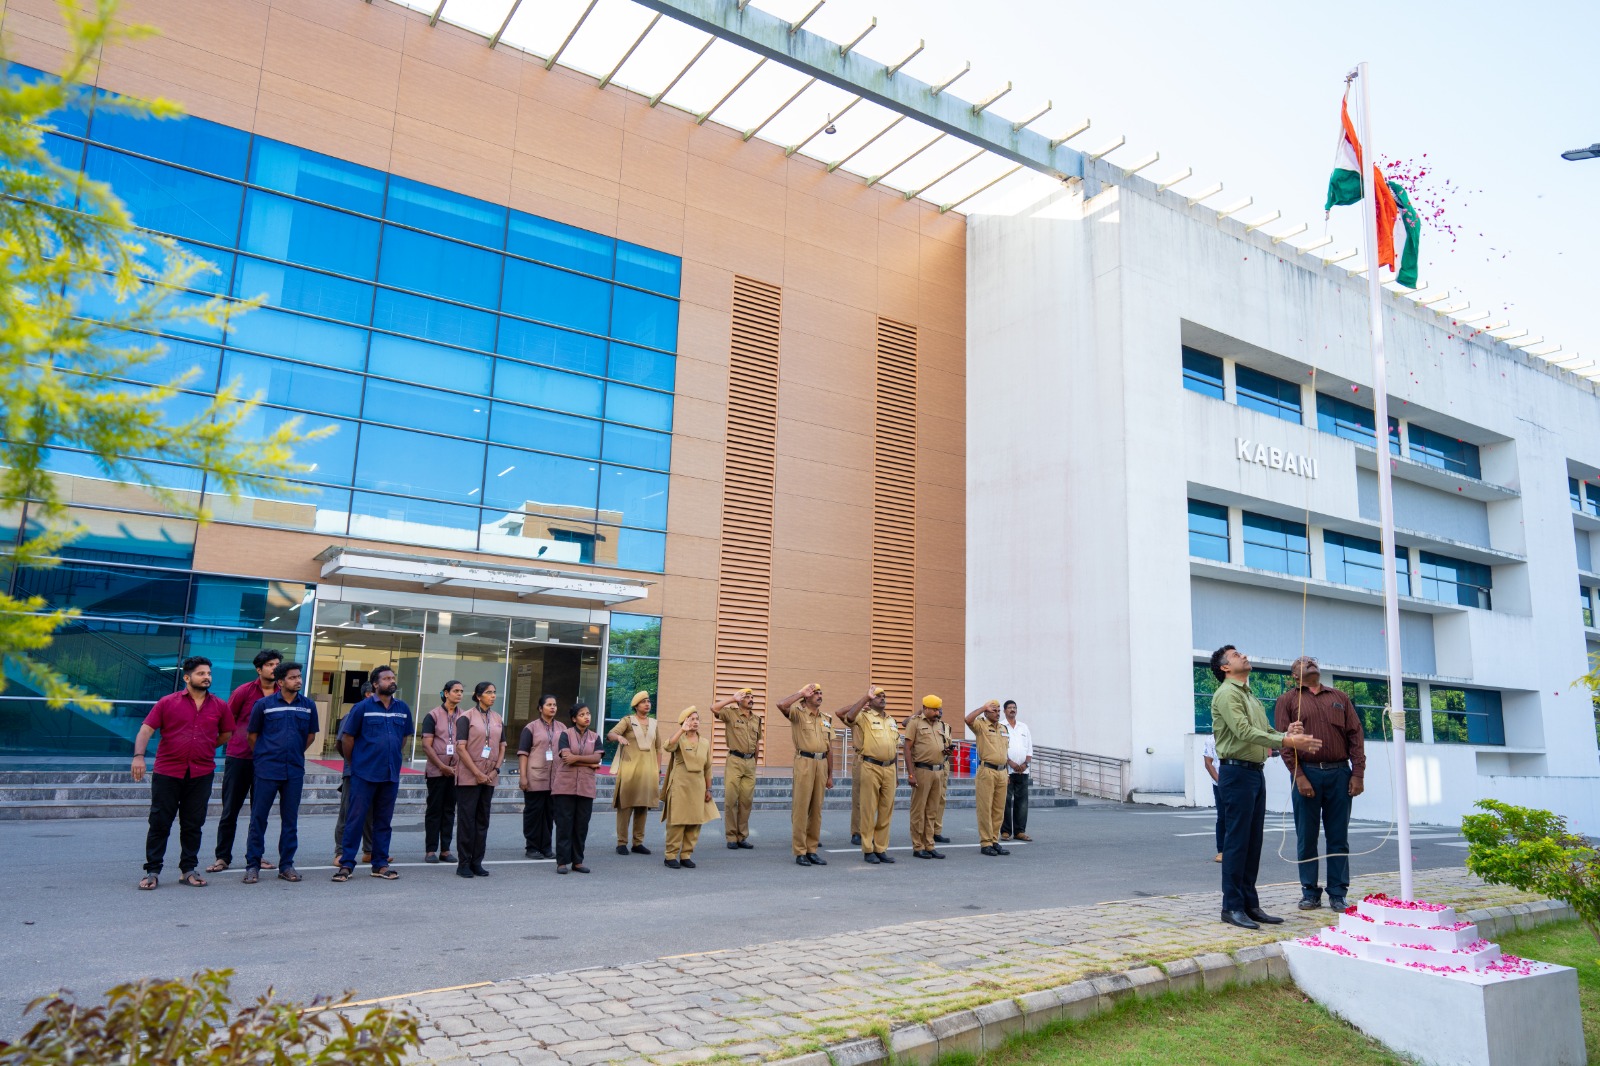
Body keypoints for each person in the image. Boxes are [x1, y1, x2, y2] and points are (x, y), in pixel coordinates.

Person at [1209, 644, 1323, 929]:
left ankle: (1249, 904)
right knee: (1237, 843)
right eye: (1236, 656)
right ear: (1225, 668)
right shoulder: (1226, 694)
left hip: (1253, 774)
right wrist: (1287, 742)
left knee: (1252, 843)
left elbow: (1266, 731)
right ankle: (1232, 906)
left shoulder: (1249, 695)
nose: (1244, 656)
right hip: (1235, 773)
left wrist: (1287, 734)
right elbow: (1244, 732)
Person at [1274, 655, 1365, 913]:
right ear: (1294, 675)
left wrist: (1358, 772)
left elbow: (1355, 735)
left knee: (1339, 837)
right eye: (1302, 662)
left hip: (1339, 774)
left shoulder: (1340, 697)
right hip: (1307, 774)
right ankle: (1309, 893)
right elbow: (1284, 741)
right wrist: (1299, 776)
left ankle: (1338, 893)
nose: (1309, 662)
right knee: (1307, 837)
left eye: (1312, 660)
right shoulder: (1287, 701)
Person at [132, 656, 231, 889]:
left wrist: (206, 745)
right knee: (159, 823)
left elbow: (226, 733)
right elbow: (146, 729)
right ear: (187, 677)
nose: (207, 677)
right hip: (168, 772)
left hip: (201, 773)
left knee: (193, 824)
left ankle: (188, 869)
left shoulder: (219, 705)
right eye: (201, 673)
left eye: (208, 673)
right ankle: (152, 871)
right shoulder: (168, 702)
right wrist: (138, 757)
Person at [241, 661, 318, 883]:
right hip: (267, 770)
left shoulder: (308, 706)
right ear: (281, 681)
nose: (299, 681)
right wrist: (266, 756)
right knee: (258, 819)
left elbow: (310, 735)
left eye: (299, 677)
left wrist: (293, 752)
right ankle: (252, 865)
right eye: (293, 677)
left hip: (293, 770)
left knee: (290, 820)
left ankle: (286, 865)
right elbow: (252, 736)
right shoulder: (263, 705)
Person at [335, 665, 412, 882]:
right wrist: (355, 762)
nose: (391, 680)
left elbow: (403, 738)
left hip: (389, 774)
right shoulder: (362, 708)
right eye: (386, 678)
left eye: (393, 677)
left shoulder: (402, 708)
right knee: (355, 819)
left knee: (383, 821)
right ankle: (346, 864)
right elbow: (347, 739)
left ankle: (380, 864)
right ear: (376, 684)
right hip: (363, 774)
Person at [208, 648, 281, 874]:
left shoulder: (283, 693)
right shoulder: (244, 691)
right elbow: (227, 720)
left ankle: (255, 856)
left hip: (268, 761)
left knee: (260, 812)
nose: (274, 668)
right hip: (239, 757)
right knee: (230, 810)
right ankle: (222, 857)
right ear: (259, 669)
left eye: (277, 664)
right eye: (270, 664)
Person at [838, 686, 900, 864]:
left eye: (884, 696)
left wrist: (895, 773)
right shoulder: (863, 716)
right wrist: (864, 698)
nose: (882, 698)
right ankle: (868, 849)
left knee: (886, 810)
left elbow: (894, 747)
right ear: (870, 700)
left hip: (889, 768)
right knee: (867, 809)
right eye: (878, 696)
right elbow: (847, 716)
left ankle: (880, 848)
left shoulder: (891, 720)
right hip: (870, 766)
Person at [775, 683, 834, 866]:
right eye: (815, 692)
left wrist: (830, 775)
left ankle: (812, 849)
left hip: (821, 764)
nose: (819, 694)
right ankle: (800, 851)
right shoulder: (798, 714)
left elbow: (829, 748)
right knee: (801, 808)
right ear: (806, 697)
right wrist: (800, 692)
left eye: (820, 692)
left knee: (816, 810)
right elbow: (781, 705)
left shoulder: (826, 718)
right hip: (805, 762)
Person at [452, 681, 506, 879]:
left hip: (490, 776)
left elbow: (502, 747)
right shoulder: (466, 718)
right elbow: (460, 748)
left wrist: (496, 770)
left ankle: (477, 862)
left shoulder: (497, 718)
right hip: (469, 777)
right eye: (488, 693)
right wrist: (476, 773)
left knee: (482, 820)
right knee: (467, 820)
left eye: (494, 692)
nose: (492, 696)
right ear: (477, 696)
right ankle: (463, 863)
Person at [660, 706, 718, 868]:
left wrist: (709, 789)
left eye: (697, 719)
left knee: (694, 822)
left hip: (698, 786)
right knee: (676, 822)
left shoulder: (705, 742)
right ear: (684, 722)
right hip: (680, 785)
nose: (695, 722)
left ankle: (686, 854)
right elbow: (667, 746)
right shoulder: (679, 738)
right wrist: (681, 730)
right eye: (691, 719)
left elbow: (708, 768)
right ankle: (670, 856)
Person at [607, 691, 660, 856]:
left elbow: (658, 748)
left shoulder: (654, 723)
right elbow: (610, 734)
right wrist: (619, 738)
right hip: (630, 770)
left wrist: (657, 769)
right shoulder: (627, 721)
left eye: (649, 701)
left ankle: (638, 843)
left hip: (647, 771)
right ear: (636, 706)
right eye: (643, 702)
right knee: (626, 806)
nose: (647, 704)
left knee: (643, 807)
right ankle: (621, 842)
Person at [552, 701, 602, 874]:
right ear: (574, 718)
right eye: (582, 714)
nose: (586, 717)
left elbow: (597, 758)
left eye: (588, 713)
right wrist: (589, 762)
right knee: (564, 824)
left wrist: (577, 759)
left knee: (581, 825)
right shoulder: (565, 734)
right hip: (565, 785)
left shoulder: (595, 737)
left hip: (586, 786)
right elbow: (566, 757)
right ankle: (562, 861)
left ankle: (578, 861)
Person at [419, 680, 463, 864]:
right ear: (446, 693)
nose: (459, 694)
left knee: (449, 810)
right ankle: (431, 850)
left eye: (461, 691)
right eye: (455, 691)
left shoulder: (464, 716)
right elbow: (426, 746)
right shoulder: (433, 716)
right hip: (437, 771)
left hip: (456, 772)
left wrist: (454, 768)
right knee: (434, 810)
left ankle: (446, 849)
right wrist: (441, 766)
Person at [711, 688, 761, 849]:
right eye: (747, 697)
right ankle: (731, 837)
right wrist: (732, 698)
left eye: (752, 697)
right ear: (740, 700)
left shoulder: (756, 719)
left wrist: (755, 762)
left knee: (746, 801)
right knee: (731, 800)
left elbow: (757, 742)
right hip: (734, 760)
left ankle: (742, 836)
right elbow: (714, 708)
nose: (751, 699)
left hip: (750, 762)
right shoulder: (730, 713)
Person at [333, 682, 374, 863]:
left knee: (372, 814)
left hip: (376, 772)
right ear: (368, 694)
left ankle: (370, 851)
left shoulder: (383, 715)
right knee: (349, 812)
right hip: (354, 772)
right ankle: (340, 852)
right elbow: (341, 743)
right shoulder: (353, 715)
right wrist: (353, 763)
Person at [518, 694, 562, 860]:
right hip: (535, 777)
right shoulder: (531, 728)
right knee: (534, 813)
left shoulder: (562, 727)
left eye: (555, 705)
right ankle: (532, 847)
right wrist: (523, 777)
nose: (553, 707)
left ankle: (546, 847)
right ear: (540, 708)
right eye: (549, 704)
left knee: (549, 814)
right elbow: (523, 753)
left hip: (555, 779)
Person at [904, 695, 948, 859]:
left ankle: (929, 845)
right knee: (919, 810)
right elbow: (907, 749)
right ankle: (918, 846)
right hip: (922, 771)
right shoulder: (914, 723)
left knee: (932, 810)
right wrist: (910, 773)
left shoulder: (940, 725)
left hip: (938, 771)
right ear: (926, 708)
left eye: (938, 710)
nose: (938, 713)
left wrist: (946, 751)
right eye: (935, 710)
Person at [965, 700, 1010, 856]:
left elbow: (1005, 752)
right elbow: (967, 719)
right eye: (994, 710)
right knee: (985, 808)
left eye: (998, 711)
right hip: (987, 771)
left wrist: (1007, 772)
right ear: (986, 712)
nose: (997, 713)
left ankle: (994, 840)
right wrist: (983, 707)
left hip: (1002, 772)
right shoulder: (981, 725)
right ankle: (986, 842)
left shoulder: (1004, 728)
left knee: (998, 809)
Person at [1000, 700, 1033, 842]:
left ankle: (1020, 831)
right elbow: (1000, 748)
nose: (1012, 710)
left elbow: (1029, 747)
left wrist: (1025, 763)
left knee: (1022, 802)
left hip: (1023, 771)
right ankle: (1006, 831)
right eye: (1010, 708)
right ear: (1004, 710)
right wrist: (1010, 762)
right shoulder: (1000, 726)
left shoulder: (1023, 727)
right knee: (1006, 801)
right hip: (1007, 770)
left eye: (1014, 708)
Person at [932, 702, 953, 844]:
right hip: (928, 766)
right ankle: (924, 830)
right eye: (936, 709)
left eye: (941, 709)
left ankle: (936, 831)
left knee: (941, 798)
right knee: (928, 799)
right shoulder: (922, 723)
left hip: (944, 764)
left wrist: (949, 750)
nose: (939, 712)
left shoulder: (946, 727)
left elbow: (948, 744)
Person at [1203, 733, 1223, 863]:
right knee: (1223, 816)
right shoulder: (1211, 739)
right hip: (1219, 783)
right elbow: (1208, 763)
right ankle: (1222, 850)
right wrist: (1219, 781)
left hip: (1237, 781)